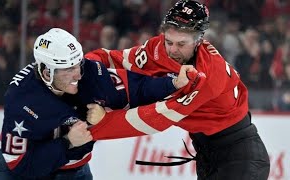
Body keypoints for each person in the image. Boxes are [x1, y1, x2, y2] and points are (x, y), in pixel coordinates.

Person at [85, 1, 270, 179]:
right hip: (206, 151)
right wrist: (80, 68)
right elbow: (115, 59)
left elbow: (158, 118)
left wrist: (99, 126)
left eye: (181, 44)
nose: (172, 50)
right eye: (169, 41)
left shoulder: (209, 74)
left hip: (240, 154)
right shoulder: (157, 47)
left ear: (198, 41)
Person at [0, 28, 201, 180]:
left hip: (73, 170)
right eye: (68, 69)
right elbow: (20, 166)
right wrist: (68, 142)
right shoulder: (21, 99)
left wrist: (174, 82)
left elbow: (137, 88)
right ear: (46, 72)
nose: (77, 74)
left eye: (77, 64)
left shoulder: (90, 73)